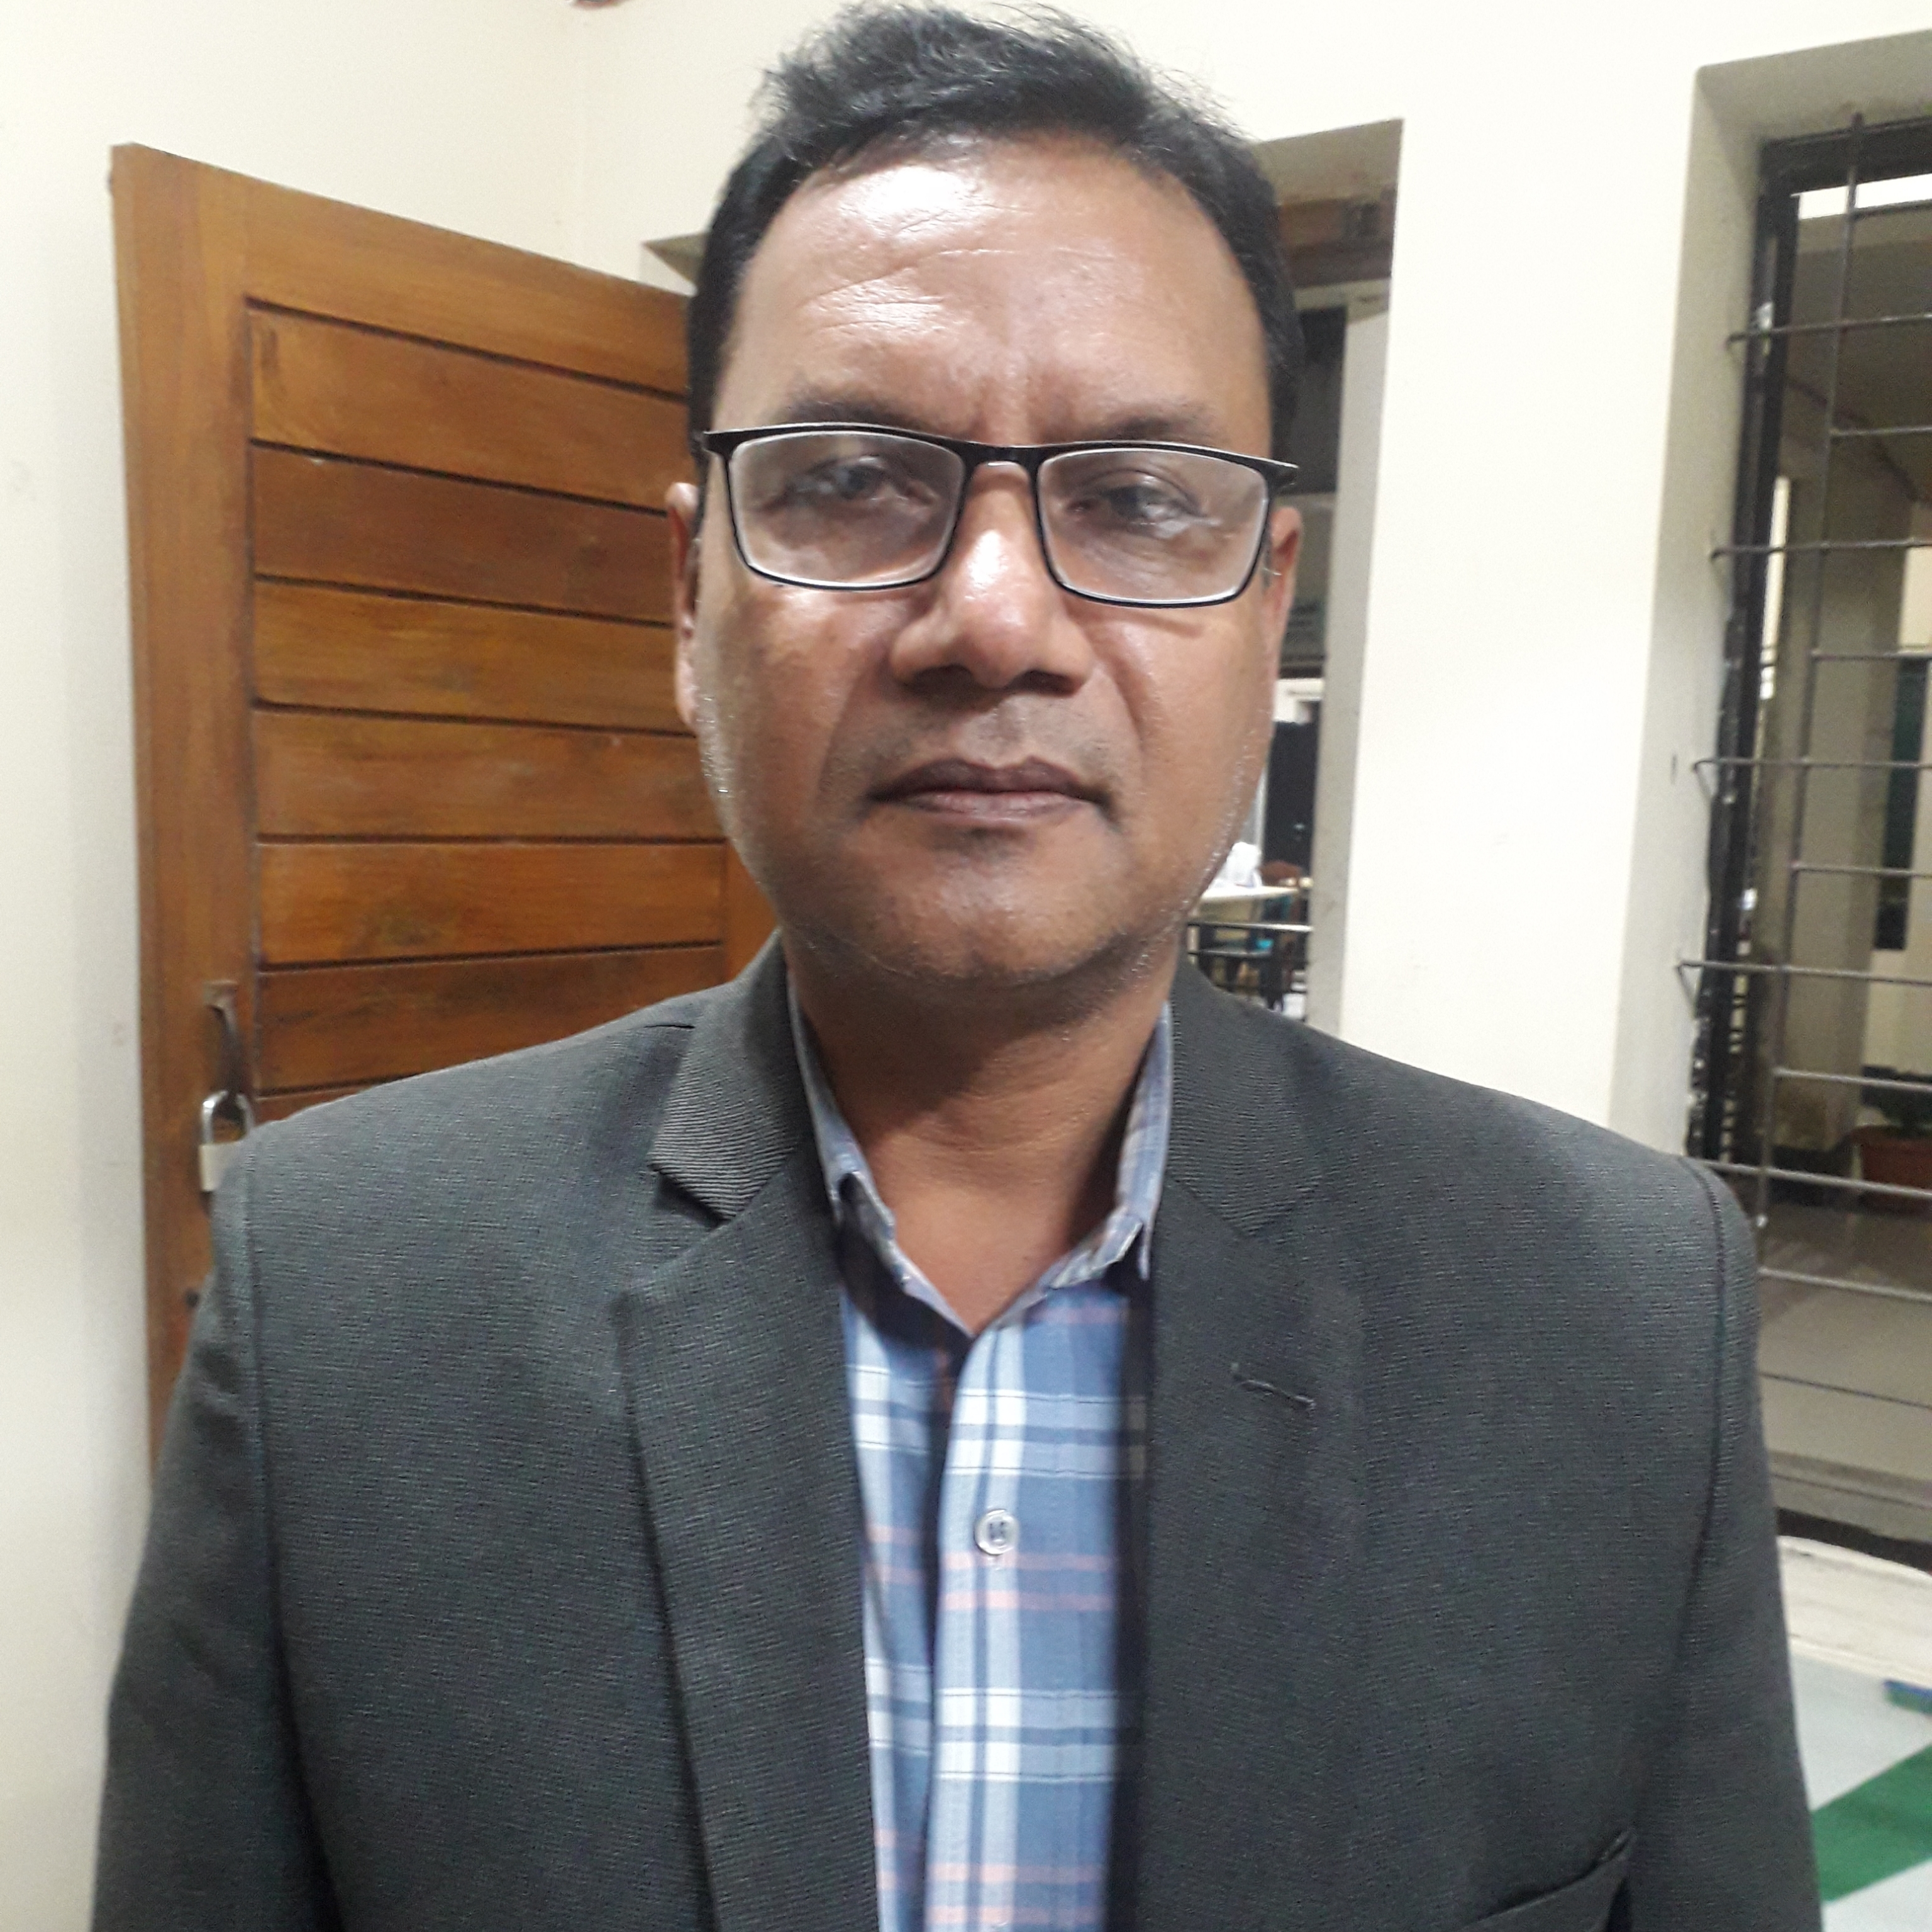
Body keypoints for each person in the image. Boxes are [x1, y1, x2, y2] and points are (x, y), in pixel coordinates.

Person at [94, 9, 1819, 1931]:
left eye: (1137, 498)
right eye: (851, 478)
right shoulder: (342, 1299)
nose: (996, 619)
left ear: (1268, 605)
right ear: (688, 596)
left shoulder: (1615, 1315)